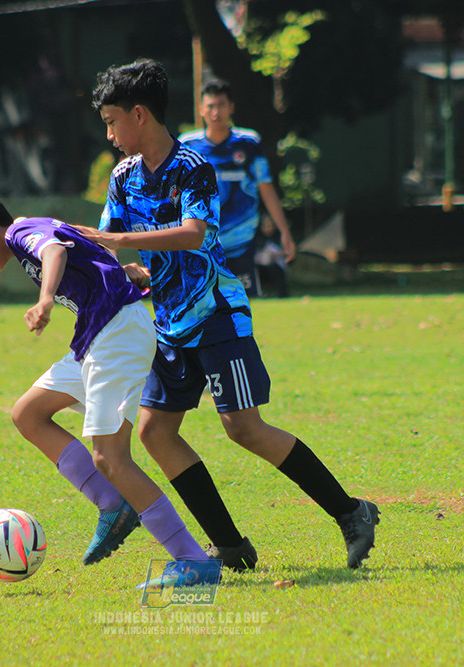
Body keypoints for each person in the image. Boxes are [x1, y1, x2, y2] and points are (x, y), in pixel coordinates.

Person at [80, 58, 379, 573]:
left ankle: (352, 513)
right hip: (169, 323)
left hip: (216, 313)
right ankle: (230, 545)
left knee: (243, 427)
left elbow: (195, 234)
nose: (109, 134)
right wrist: (94, 263)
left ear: (140, 114)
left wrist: (123, 241)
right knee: (156, 433)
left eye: (112, 121)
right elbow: (107, 244)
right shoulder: (123, 177)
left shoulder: (194, 167)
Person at [0, 186, 220, 590]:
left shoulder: (22, 233)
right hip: (94, 337)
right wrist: (125, 276)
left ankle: (193, 560)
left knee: (110, 458)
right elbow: (91, 257)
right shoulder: (33, 233)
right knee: (28, 414)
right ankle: (112, 504)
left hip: (115, 335)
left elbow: (55, 252)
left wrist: (46, 299)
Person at [179, 79, 295, 297]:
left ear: (231, 107)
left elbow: (266, 188)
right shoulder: (188, 145)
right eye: (210, 106)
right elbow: (176, 192)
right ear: (202, 109)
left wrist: (284, 231)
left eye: (221, 105)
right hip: (203, 243)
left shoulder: (249, 143)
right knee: (204, 306)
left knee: (243, 306)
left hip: (242, 243)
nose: (216, 112)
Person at [253, 214, 289, 298]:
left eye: (270, 225)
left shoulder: (279, 236)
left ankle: (282, 295)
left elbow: (287, 252)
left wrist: (279, 253)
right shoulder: (257, 237)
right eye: (266, 225)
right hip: (260, 265)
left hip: (275, 264)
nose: (268, 228)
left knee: (276, 271)